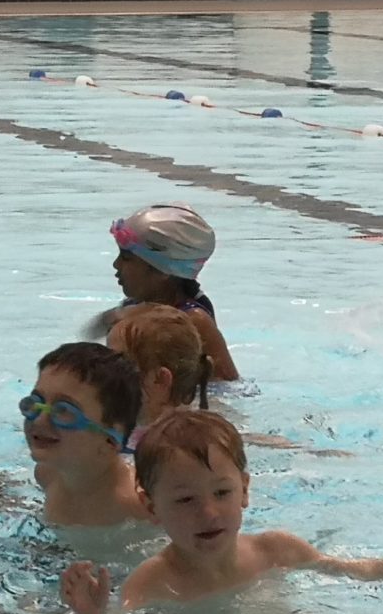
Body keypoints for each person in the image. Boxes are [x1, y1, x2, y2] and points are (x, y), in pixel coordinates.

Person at [62, 409, 383, 614]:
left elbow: (379, 574)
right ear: (150, 506)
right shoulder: (152, 582)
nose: (209, 512)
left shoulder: (277, 551)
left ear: (245, 490)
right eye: (184, 500)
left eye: (222, 492)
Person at [96, 206, 238, 382]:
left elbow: (229, 386)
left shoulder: (194, 320)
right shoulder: (130, 308)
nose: (116, 265)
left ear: (163, 271)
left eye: (126, 258)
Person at [25, 342, 148, 528]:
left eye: (64, 410)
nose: (40, 420)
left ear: (109, 441)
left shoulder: (140, 503)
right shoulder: (47, 473)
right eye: (36, 402)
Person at [106, 304, 210, 444]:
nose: (106, 372)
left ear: (160, 380)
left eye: (118, 365)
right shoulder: (200, 429)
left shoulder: (167, 448)